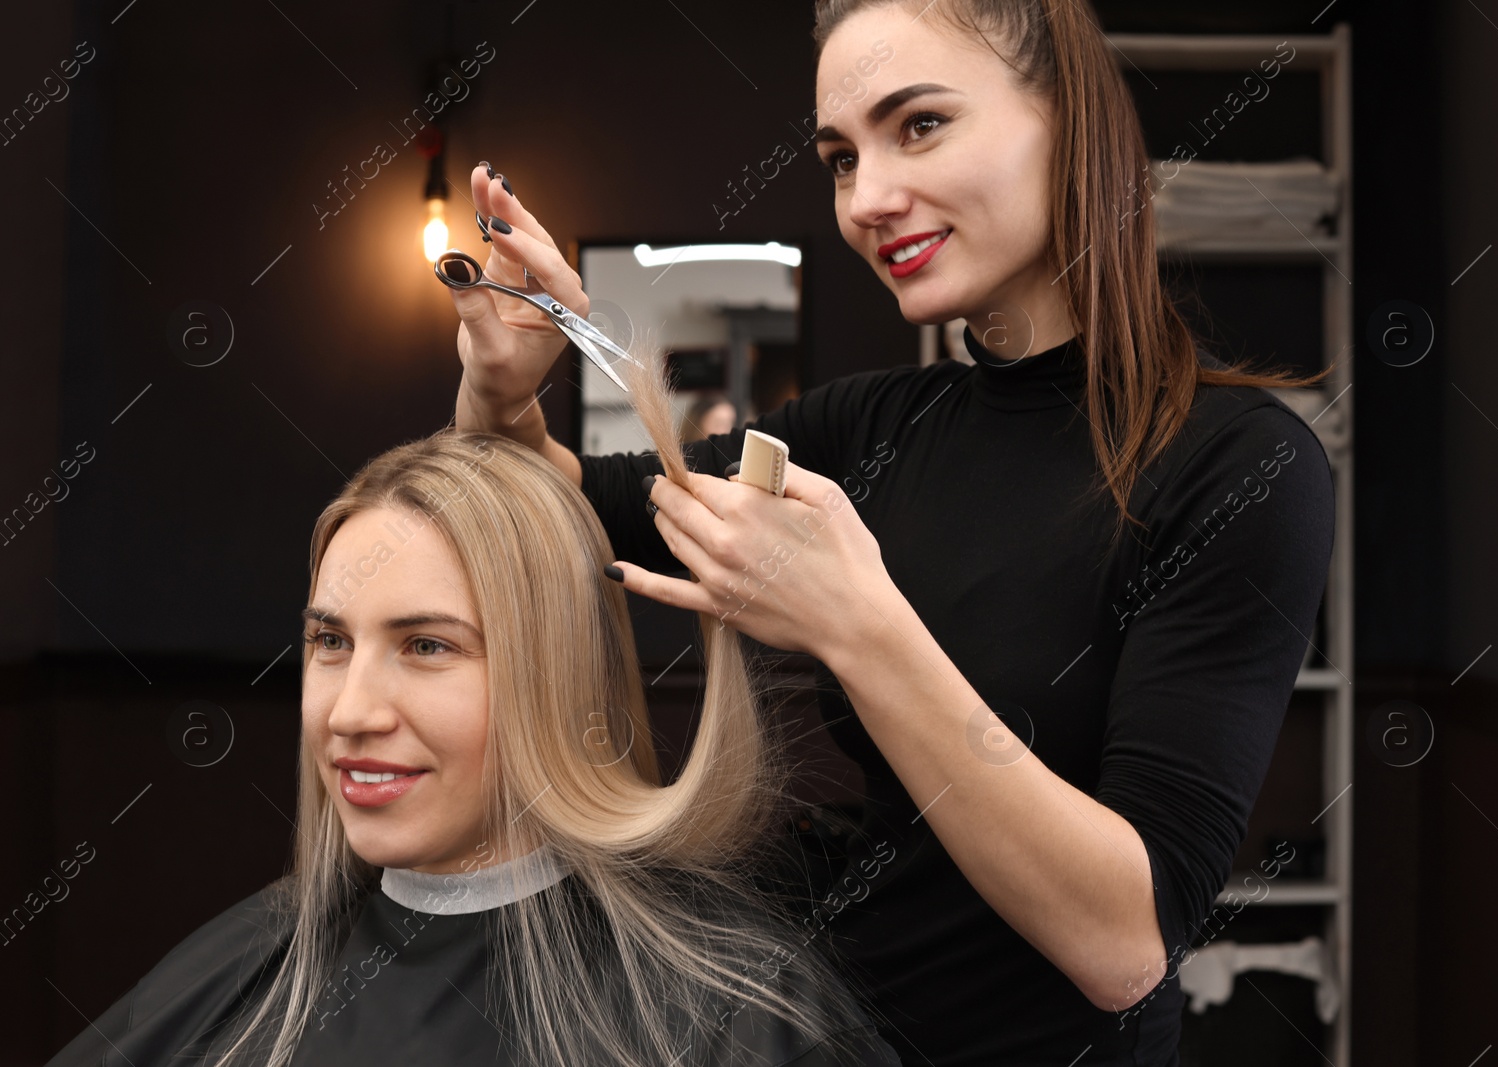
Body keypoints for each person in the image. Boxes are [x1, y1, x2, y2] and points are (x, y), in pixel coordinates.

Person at [446, 1, 1337, 1063]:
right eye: (838, 156)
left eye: (918, 125)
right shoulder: (865, 430)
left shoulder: (1241, 467)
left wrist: (857, 623)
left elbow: (1123, 942)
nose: (867, 199)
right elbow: (542, 506)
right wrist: (501, 396)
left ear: (1068, 123)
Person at [44, 346, 901, 1067]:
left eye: (427, 645)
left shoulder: (742, 1017)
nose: (350, 711)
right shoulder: (236, 978)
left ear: (557, 673)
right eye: (331, 642)